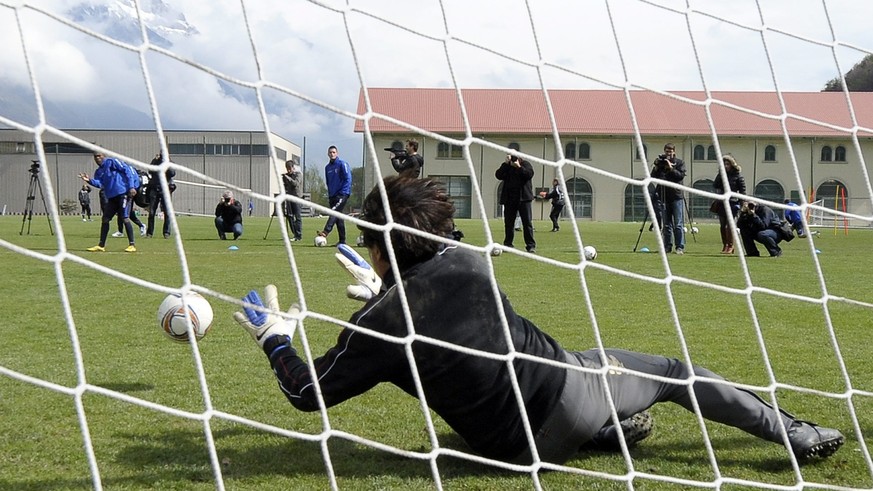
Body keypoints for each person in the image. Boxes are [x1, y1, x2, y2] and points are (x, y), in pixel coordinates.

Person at [233, 176, 844, 465]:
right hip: (569, 393)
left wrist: (275, 338)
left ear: (375, 247)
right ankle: (793, 435)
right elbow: (430, 289)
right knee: (672, 372)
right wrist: (385, 291)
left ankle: (605, 435)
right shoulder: (468, 261)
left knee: (442, 390)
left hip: (501, 447)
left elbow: (304, 392)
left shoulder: (382, 322)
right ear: (442, 229)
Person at [79, 152, 140, 253]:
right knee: (105, 219)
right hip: (112, 197)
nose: (97, 158)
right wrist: (89, 180)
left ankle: (132, 245)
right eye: (95, 157)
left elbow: (127, 170)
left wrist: (131, 186)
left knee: (125, 218)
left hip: (123, 193)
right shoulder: (98, 172)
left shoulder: (112, 162)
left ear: (104, 155)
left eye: (99, 156)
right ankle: (101, 245)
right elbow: (100, 184)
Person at [651, 143, 687, 254]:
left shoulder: (680, 163)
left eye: (670, 151)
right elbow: (653, 177)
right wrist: (657, 167)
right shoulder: (661, 163)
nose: (668, 153)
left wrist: (670, 168)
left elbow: (680, 176)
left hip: (676, 196)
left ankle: (679, 246)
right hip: (664, 196)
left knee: (678, 224)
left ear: (674, 152)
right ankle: (667, 246)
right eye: (667, 151)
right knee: (666, 224)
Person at [496, 154, 536, 253]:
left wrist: (519, 167)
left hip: (524, 199)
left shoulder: (525, 164)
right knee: (509, 223)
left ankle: (530, 246)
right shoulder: (506, 167)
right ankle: (508, 244)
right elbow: (498, 175)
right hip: (509, 199)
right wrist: (506, 164)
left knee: (527, 223)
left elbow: (529, 174)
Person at [317, 145, 352, 245]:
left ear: (337, 153)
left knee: (333, 212)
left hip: (342, 194)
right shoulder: (327, 167)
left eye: (334, 152)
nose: (332, 154)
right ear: (328, 154)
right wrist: (330, 194)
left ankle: (325, 231)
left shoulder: (342, 164)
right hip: (332, 196)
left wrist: (344, 192)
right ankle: (342, 241)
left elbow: (348, 179)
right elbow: (328, 182)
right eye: (330, 152)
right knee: (338, 219)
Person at [712, 155, 746, 254]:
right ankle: (725, 245)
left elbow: (743, 191)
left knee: (729, 225)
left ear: (732, 165)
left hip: (733, 203)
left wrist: (742, 203)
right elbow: (715, 185)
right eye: (724, 164)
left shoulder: (738, 176)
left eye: (727, 164)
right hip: (722, 202)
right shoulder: (721, 175)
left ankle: (730, 245)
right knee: (722, 225)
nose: (726, 166)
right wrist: (720, 175)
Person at [145, 152, 176, 239]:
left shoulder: (170, 163)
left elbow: (172, 173)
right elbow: (150, 170)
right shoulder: (155, 162)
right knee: (151, 212)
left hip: (165, 190)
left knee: (167, 212)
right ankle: (149, 233)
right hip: (155, 189)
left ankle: (166, 232)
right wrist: (155, 160)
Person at [282, 159, 304, 241]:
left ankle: (298, 235)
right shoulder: (288, 175)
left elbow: (295, 183)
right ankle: (294, 233)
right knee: (289, 216)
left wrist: (288, 178)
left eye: (289, 168)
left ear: (293, 167)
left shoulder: (298, 175)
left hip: (297, 197)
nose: (288, 170)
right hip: (289, 197)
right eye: (287, 168)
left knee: (297, 217)